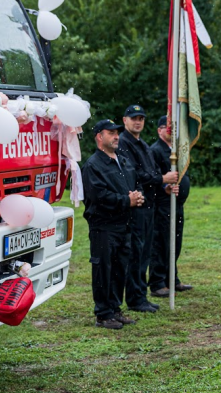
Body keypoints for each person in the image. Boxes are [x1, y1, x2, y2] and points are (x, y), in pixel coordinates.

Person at [82, 119, 144, 330]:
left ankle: (115, 308)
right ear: (99, 137)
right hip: (103, 226)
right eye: (111, 133)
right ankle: (103, 313)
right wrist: (127, 200)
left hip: (123, 224)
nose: (117, 136)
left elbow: (135, 184)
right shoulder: (93, 165)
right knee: (103, 269)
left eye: (117, 132)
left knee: (119, 268)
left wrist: (137, 196)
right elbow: (98, 196)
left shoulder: (123, 161)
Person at [117, 105, 178, 313]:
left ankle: (141, 295)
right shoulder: (124, 143)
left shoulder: (142, 144)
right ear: (125, 120)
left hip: (149, 205)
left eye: (141, 118)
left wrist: (164, 186)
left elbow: (149, 172)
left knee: (144, 253)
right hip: (137, 206)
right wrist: (162, 178)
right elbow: (134, 175)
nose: (138, 122)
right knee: (136, 253)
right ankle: (135, 299)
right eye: (134, 118)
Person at [148, 115, 193, 297]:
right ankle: (158, 283)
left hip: (177, 204)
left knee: (175, 242)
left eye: (173, 128)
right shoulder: (155, 151)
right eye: (167, 128)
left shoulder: (176, 150)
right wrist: (164, 187)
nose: (171, 131)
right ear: (159, 131)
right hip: (162, 205)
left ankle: (172, 279)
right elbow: (152, 177)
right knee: (161, 243)